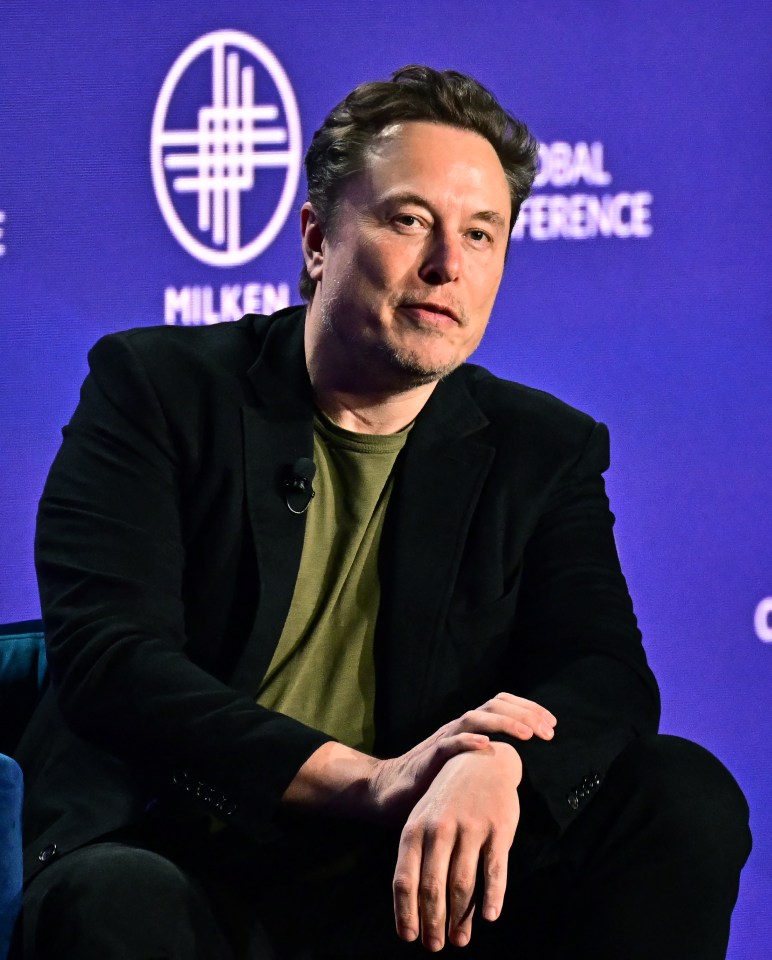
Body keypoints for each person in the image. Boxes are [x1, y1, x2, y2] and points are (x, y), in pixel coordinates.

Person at [16, 66, 750, 959]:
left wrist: (494, 764)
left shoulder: (540, 447)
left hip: (411, 877)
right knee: (113, 898)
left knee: (683, 793)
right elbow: (112, 661)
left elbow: (604, 675)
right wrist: (369, 780)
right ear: (318, 239)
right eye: (410, 220)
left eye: (482, 234)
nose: (448, 264)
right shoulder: (157, 390)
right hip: (186, 850)